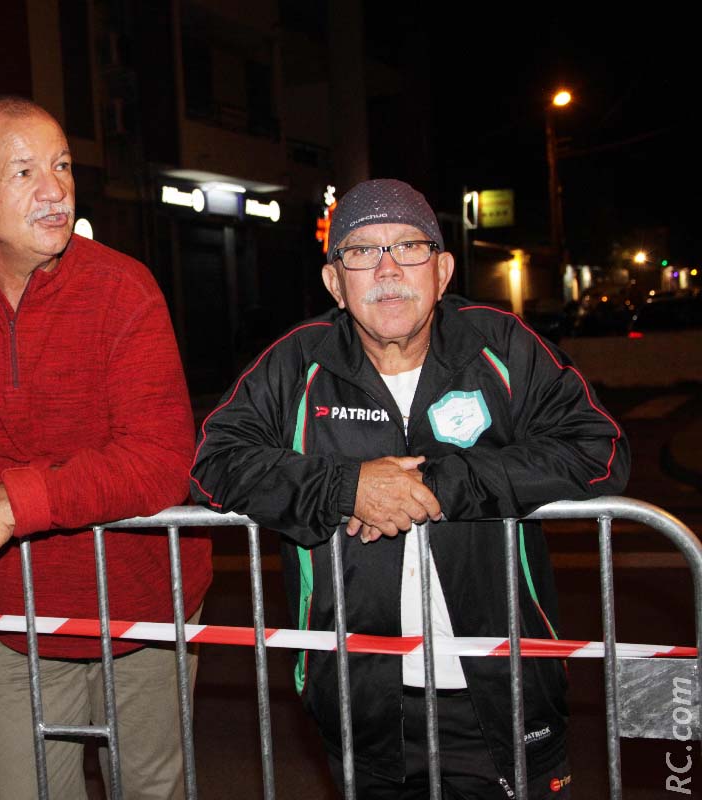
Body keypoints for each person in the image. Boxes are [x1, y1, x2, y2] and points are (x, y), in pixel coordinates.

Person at [190, 179, 630, 798]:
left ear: (443, 270)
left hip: (507, 693)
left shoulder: (500, 345)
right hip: (361, 702)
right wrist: (346, 488)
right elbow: (214, 462)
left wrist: (450, 483)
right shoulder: (297, 364)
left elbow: (600, 449)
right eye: (362, 252)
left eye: (409, 247)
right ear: (334, 282)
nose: (388, 269)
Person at [0, 96, 212, 799]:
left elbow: (157, 460)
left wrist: (10, 503)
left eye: (61, 165)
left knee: (154, 790)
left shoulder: (124, 288)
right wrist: (76, 484)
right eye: (25, 170)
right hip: (14, 617)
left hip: (146, 608)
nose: (56, 189)